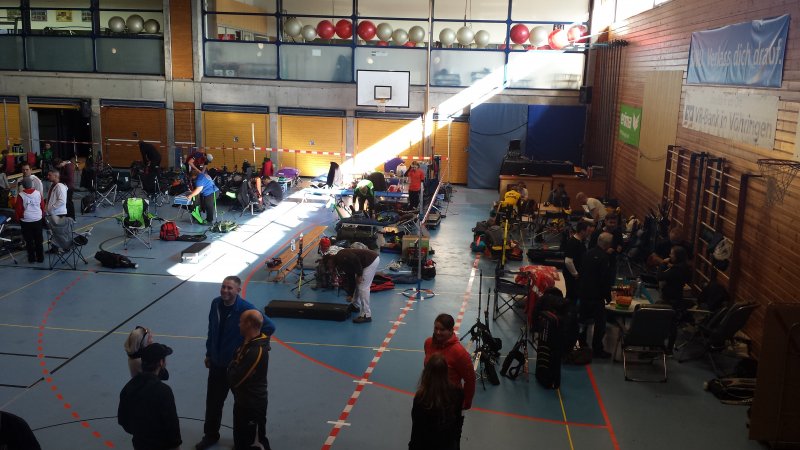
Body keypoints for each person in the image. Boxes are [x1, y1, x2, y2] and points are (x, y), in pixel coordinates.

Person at [196, 276, 276, 450]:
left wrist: (250, 345)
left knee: (242, 408)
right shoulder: (215, 304)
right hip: (217, 365)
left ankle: (243, 441)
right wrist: (209, 353)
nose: (225, 290)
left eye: (229, 288)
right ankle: (210, 435)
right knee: (213, 403)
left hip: (237, 368)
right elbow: (212, 330)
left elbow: (269, 326)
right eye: (223, 287)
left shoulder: (246, 309)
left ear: (238, 291)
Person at [118, 343, 182, 450]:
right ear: (161, 363)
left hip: (140, 444)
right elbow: (172, 425)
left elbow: (123, 420)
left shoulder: (128, 388)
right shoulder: (164, 391)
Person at [423, 314, 475, 445]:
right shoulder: (428, 343)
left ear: (451, 330)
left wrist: (466, 403)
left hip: (450, 404)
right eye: (436, 328)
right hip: (429, 398)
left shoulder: (459, 353)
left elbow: (470, 380)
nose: (438, 332)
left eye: (442, 329)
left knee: (449, 440)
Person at [227, 310, 272, 450]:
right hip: (242, 401)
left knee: (255, 443)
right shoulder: (248, 343)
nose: (238, 324)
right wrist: (234, 365)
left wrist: (232, 366)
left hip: (252, 406)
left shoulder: (256, 351)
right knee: (240, 440)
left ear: (249, 324)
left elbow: (235, 379)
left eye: (241, 321)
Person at [408, 353, 464, 450]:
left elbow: (417, 431)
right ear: (446, 372)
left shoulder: (421, 399)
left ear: (426, 372)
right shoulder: (458, 394)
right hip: (448, 444)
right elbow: (457, 424)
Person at [578, 232, 614, 358]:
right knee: (600, 324)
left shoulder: (587, 253)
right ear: (608, 244)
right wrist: (608, 296)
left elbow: (581, 271)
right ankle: (597, 348)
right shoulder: (604, 258)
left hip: (584, 293)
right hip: (596, 296)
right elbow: (604, 279)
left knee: (583, 321)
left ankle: (582, 343)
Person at [326, 248, 380, 323]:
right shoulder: (340, 263)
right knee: (358, 284)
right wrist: (350, 294)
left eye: (329, 264)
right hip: (365, 262)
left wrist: (359, 275)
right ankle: (355, 306)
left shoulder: (341, 256)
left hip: (371, 260)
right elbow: (351, 278)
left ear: (330, 259)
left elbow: (355, 259)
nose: (330, 266)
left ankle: (366, 315)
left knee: (363, 288)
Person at [657, 246, 692, 352]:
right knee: (673, 323)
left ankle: (656, 345)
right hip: (678, 297)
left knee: (660, 321)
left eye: (672, 254)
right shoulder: (685, 267)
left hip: (669, 298)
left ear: (677, 256)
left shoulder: (676, 270)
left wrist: (663, 264)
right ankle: (669, 348)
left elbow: (659, 277)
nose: (670, 255)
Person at [14, 177, 45, 263]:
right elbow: (42, 206)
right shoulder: (38, 193)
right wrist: (41, 215)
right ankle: (40, 258)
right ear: (31, 184)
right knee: (38, 240)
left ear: (23, 185)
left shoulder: (21, 195)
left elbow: (18, 209)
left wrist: (19, 218)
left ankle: (31, 258)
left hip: (26, 221)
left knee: (29, 241)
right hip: (37, 219)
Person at [563, 221, 591, 302]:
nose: (589, 233)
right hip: (572, 275)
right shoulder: (573, 242)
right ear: (582, 231)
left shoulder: (580, 242)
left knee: (575, 294)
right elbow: (568, 261)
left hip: (576, 274)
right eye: (588, 231)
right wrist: (575, 274)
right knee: (571, 294)